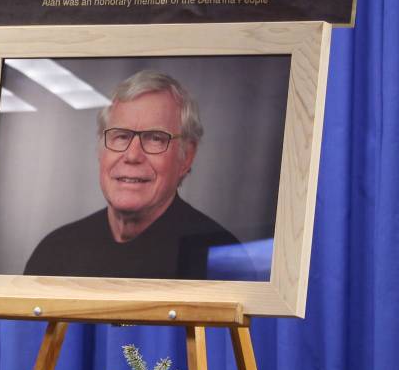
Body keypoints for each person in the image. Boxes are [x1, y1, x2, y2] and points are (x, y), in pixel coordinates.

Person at [24, 70, 239, 279]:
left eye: (155, 138)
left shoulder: (220, 260)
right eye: (121, 136)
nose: (132, 155)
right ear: (101, 149)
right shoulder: (54, 252)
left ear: (187, 156)